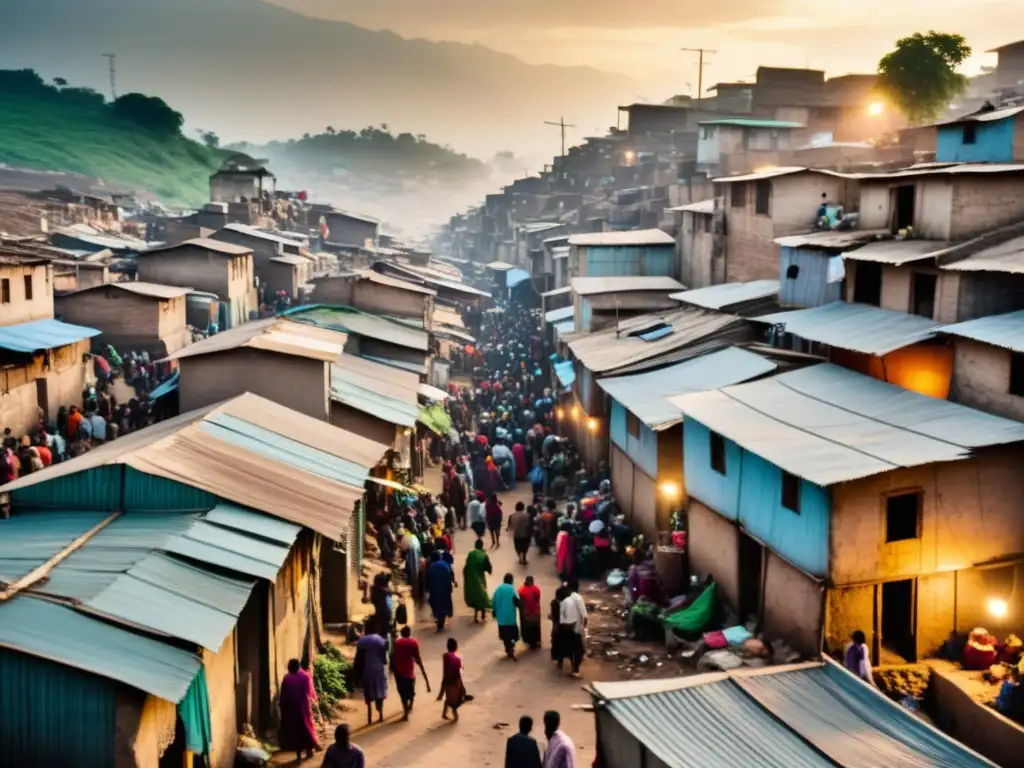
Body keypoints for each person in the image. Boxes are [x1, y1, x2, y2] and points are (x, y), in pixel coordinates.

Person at [278, 658, 320, 761]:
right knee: (307, 729)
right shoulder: (306, 676)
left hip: (291, 710)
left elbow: (283, 696)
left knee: (296, 733)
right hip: (304, 708)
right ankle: (309, 751)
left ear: (290, 667)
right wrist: (314, 701)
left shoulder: (287, 679)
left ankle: (298, 756)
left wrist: (282, 707)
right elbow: (311, 692)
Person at [393, 625, 431, 720]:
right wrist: (422, 670)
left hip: (399, 671)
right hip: (410, 671)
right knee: (411, 691)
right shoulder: (413, 642)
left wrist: (393, 669)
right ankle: (411, 704)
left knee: (402, 692)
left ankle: (405, 712)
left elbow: (393, 657)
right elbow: (417, 657)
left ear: (401, 633)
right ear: (409, 633)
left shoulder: (397, 643)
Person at [355, 631, 389, 724]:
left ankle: (369, 718)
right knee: (380, 693)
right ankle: (381, 715)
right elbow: (385, 661)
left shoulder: (362, 643)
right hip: (379, 671)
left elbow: (358, 661)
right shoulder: (380, 641)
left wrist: (357, 675)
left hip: (367, 671)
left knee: (368, 695)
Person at [559, 580, 588, 678]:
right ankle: (575, 669)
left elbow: (563, 617)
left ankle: (574, 668)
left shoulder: (566, 600)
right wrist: (583, 627)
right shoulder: (579, 598)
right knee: (579, 650)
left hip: (569, 628)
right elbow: (584, 616)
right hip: (577, 629)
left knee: (573, 649)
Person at [492, 572, 521, 660]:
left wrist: (494, 611)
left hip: (501, 619)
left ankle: (508, 646)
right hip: (510, 618)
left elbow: (494, 602)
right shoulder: (512, 589)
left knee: (504, 635)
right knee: (514, 635)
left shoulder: (498, 589)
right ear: (511, 581)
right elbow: (517, 601)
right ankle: (511, 644)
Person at [463, 538, 493, 622]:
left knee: (475, 596)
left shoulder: (471, 554)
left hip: (471, 580)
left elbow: (466, 567)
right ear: (482, 546)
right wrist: (489, 571)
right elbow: (489, 567)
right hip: (480, 578)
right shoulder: (484, 555)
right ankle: (483, 615)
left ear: (475, 546)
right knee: (482, 595)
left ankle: (476, 616)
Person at [426, 550, 455, 631]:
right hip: (445, 590)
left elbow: (428, 580)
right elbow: (449, 577)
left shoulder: (431, 567)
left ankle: (440, 623)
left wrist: (427, 589)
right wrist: (450, 588)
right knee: (444, 606)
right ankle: (441, 623)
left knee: (436, 606)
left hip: (434, 591)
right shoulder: (445, 565)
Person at [439, 637, 466, 722]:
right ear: (456, 647)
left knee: (448, 698)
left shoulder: (446, 656)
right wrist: (461, 686)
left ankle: (444, 714)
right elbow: (460, 672)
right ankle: (455, 719)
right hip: (454, 682)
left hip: (447, 681)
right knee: (454, 704)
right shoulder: (458, 658)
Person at [518, 575, 543, 650]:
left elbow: (519, 602)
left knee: (527, 628)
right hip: (535, 612)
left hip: (526, 613)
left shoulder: (521, 590)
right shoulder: (536, 589)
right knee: (536, 627)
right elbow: (538, 599)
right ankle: (536, 641)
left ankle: (528, 641)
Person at [508, 500, 533, 565]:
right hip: (526, 535)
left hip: (517, 535)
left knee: (518, 547)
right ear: (523, 508)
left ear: (515, 508)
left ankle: (519, 558)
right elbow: (530, 525)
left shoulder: (511, 516)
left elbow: (510, 527)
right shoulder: (528, 515)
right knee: (525, 547)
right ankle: (524, 557)